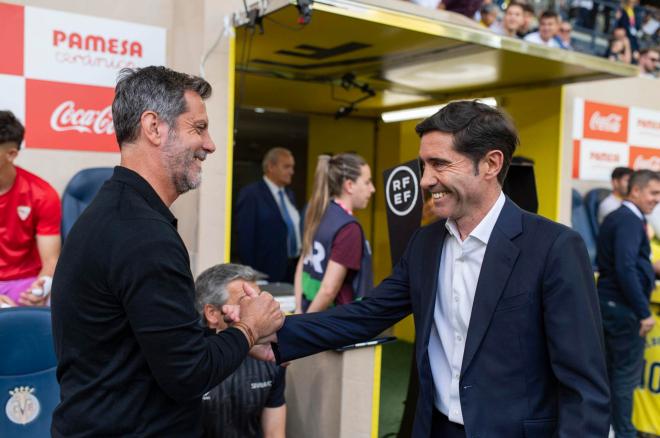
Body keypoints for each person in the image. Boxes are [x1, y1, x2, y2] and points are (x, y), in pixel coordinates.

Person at [266, 100, 610, 437]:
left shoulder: (554, 248)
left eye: (440, 164)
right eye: (423, 166)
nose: (425, 181)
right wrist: (272, 336)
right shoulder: (424, 245)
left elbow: (584, 388)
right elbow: (367, 315)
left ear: (490, 164)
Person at [50, 66, 284, 437]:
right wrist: (249, 328)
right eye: (198, 128)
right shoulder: (143, 235)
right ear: (154, 127)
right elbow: (188, 374)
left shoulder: (117, 211)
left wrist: (234, 341)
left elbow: (156, 347)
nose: (210, 144)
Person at [596, 169, 660, 438]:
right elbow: (625, 268)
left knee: (610, 377)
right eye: (653, 193)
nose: (657, 199)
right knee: (623, 379)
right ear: (636, 191)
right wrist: (643, 312)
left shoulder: (623, 218)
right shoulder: (629, 221)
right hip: (623, 311)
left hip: (612, 306)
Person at [196, 264, 286, 438]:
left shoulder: (268, 356)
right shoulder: (188, 361)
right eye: (247, 302)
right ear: (212, 314)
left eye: (258, 301)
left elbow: (275, 433)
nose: (260, 313)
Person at [295, 153, 375, 314]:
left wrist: (299, 310)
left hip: (307, 309)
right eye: (367, 182)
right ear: (349, 185)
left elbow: (301, 265)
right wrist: (305, 324)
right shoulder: (348, 228)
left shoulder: (318, 210)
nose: (372, 189)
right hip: (332, 320)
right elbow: (329, 289)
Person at [0, 110, 60, 308]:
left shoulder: (42, 194)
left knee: (59, 299)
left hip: (25, 282)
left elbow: (51, 260)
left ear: (11, 154)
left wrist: (42, 287)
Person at [235, 147, 301, 283]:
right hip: (265, 273)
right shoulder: (251, 194)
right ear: (271, 167)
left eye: (292, 167)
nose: (292, 172)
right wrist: (253, 273)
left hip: (292, 269)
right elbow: (244, 238)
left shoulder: (290, 194)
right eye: (287, 167)